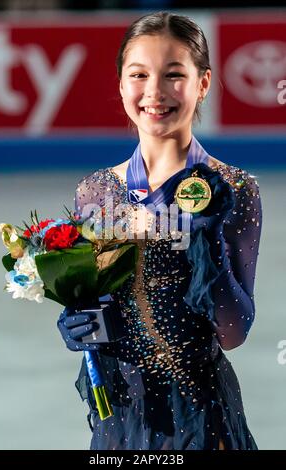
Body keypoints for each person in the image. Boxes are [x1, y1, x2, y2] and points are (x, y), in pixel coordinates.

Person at [57, 11, 262, 450]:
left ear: (202, 83)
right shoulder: (95, 191)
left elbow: (234, 333)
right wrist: (79, 320)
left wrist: (209, 245)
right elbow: (101, 300)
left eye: (173, 75)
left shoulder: (235, 188)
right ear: (120, 84)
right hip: (120, 414)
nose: (155, 92)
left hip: (201, 417)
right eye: (139, 75)